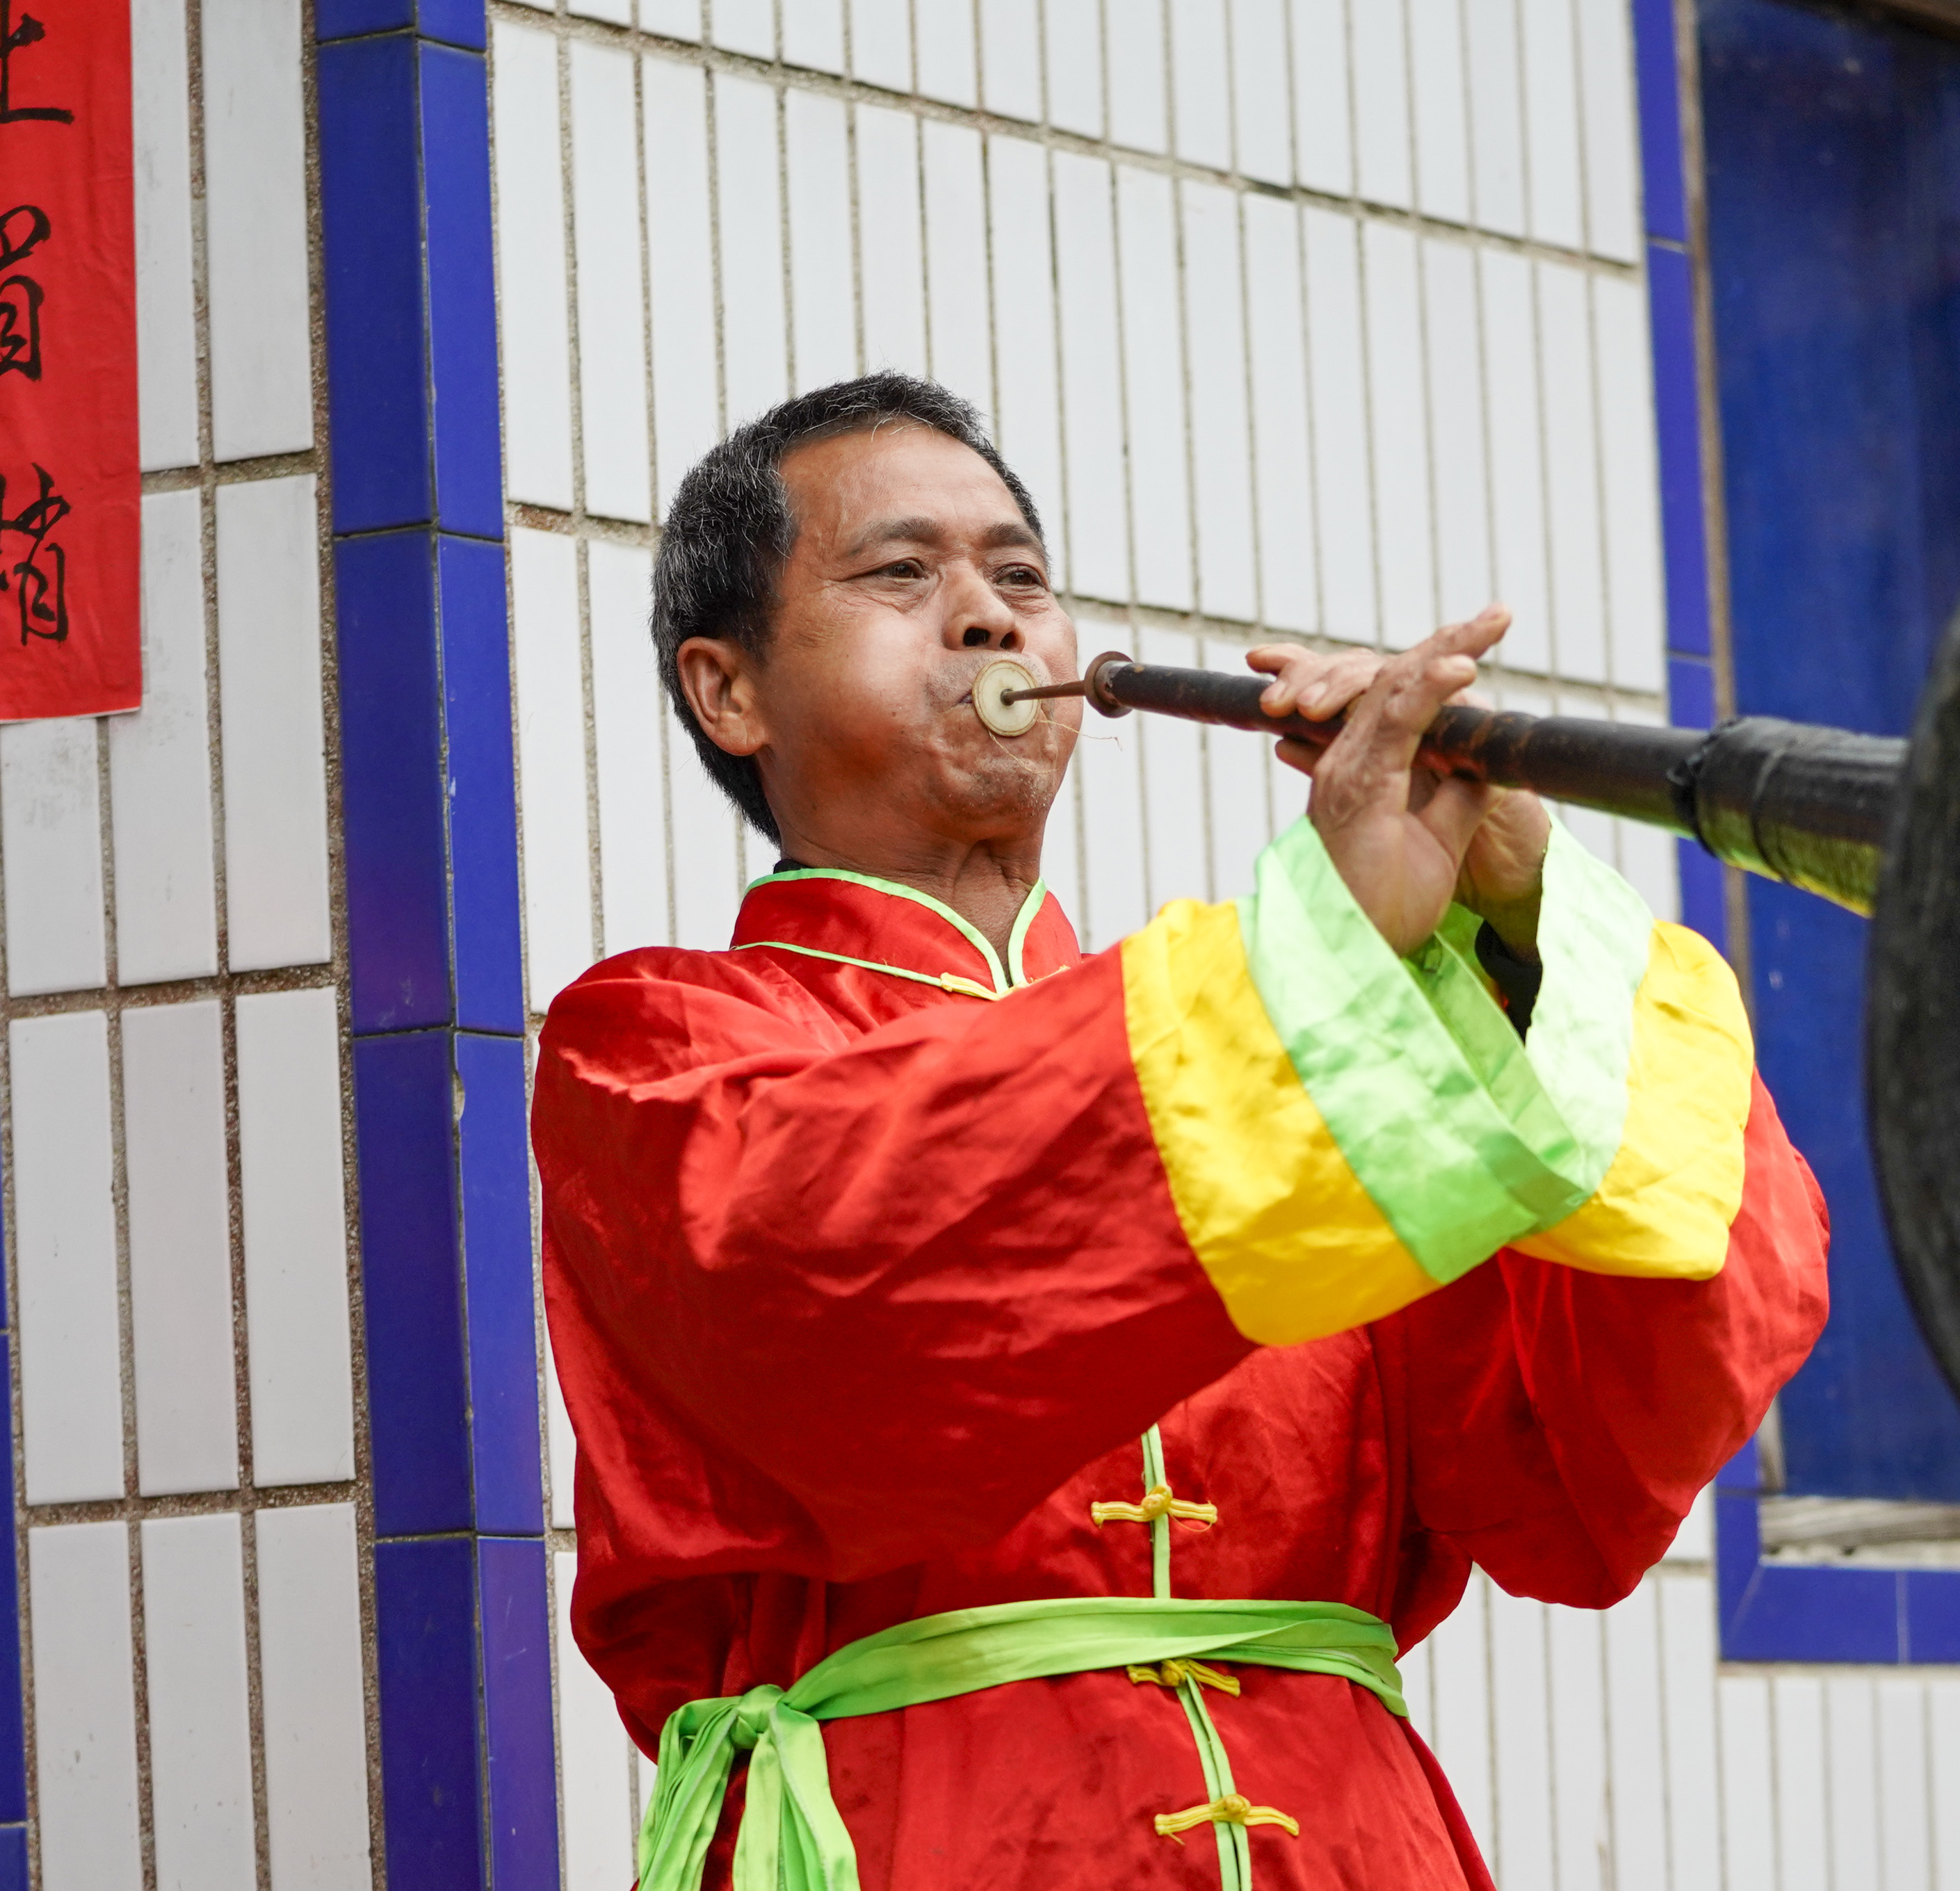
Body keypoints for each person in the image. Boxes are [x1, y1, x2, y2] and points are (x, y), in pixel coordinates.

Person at [535, 371, 1830, 1891]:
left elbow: (1578, 1466)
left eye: (1018, 575)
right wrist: (1321, 948)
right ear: (727, 689)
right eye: (902, 573)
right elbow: (844, 1280)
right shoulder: (659, 1047)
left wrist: (1514, 911)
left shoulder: (1299, 1036)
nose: (988, 617)